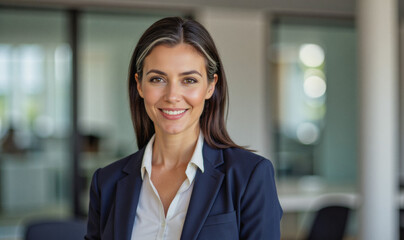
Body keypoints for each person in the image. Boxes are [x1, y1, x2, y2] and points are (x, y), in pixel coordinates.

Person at [85, 16, 282, 240]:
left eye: (189, 80)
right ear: (139, 85)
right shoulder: (106, 182)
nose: (172, 96)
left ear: (210, 86)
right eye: (158, 79)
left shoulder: (249, 176)